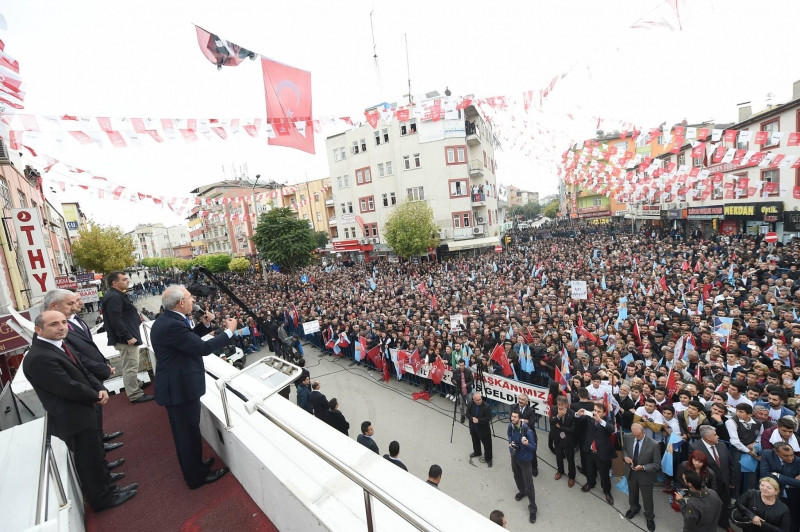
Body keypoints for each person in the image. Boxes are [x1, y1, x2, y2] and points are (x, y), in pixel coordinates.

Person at [22, 310, 138, 511]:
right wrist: (95, 396)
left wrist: (100, 388)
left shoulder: (60, 345)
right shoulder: (38, 357)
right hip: (73, 417)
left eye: (64, 322)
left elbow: (83, 371)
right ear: (38, 330)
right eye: (54, 324)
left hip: (84, 411)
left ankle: (108, 488)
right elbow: (67, 386)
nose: (61, 327)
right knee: (88, 461)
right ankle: (102, 499)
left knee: (95, 455)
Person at [150, 285, 237, 489]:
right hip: (179, 389)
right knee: (186, 435)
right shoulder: (173, 324)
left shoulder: (170, 320)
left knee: (189, 431)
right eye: (190, 298)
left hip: (179, 386)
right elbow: (203, 349)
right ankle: (195, 477)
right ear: (181, 303)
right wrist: (229, 332)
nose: (193, 301)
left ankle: (196, 465)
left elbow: (185, 342)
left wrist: (203, 326)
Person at [44, 289, 124, 448]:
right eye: (70, 303)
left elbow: (88, 348)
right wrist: (101, 371)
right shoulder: (53, 333)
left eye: (76, 301)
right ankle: (99, 451)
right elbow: (77, 359)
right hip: (82, 387)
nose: (76, 307)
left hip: (91, 380)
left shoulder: (73, 322)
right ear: (53, 306)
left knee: (96, 419)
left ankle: (100, 440)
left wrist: (104, 364)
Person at [101, 271, 152, 403]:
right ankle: (135, 394)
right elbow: (115, 320)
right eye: (124, 279)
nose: (128, 281)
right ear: (114, 283)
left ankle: (136, 383)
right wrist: (128, 336)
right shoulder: (114, 297)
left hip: (127, 337)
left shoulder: (116, 295)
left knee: (129, 364)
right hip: (126, 339)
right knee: (130, 366)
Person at [691, 425, 736, 531]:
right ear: (708, 437)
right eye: (715, 434)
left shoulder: (722, 445)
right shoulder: (695, 447)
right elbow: (694, 468)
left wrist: (732, 480)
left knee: (724, 504)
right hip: (709, 485)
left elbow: (730, 464)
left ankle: (725, 523)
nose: (718, 436)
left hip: (725, 483)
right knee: (708, 507)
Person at [623, 423, 661, 532]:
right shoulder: (628, 436)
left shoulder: (654, 444)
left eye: (638, 435)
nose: (636, 437)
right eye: (634, 434)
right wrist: (626, 457)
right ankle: (634, 508)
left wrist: (643, 467)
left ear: (644, 432)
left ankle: (649, 517)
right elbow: (624, 449)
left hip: (645, 475)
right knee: (632, 492)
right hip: (631, 471)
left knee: (647, 498)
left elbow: (657, 464)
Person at [580, 402, 616, 505]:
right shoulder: (589, 418)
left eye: (598, 411)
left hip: (602, 452)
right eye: (594, 410)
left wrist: (599, 420)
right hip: (590, 450)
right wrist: (578, 414)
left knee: (604, 474)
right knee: (590, 470)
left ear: (604, 413)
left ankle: (607, 491)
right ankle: (590, 483)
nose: (595, 412)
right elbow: (579, 420)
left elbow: (611, 429)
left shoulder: (608, 420)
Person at [760, 442, 800, 532]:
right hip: (773, 497)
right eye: (786, 456)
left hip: (792, 499)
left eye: (792, 455)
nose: (790, 458)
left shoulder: (798, 461)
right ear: (776, 452)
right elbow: (764, 476)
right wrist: (792, 481)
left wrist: (778, 476)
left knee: (792, 523)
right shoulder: (767, 454)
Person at [507, 410, 538, 524]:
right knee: (517, 476)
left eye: (515, 417)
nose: (513, 419)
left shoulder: (528, 431)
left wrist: (527, 444)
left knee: (529, 484)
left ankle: (533, 508)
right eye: (512, 416)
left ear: (520, 419)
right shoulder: (511, 426)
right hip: (514, 456)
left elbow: (534, 448)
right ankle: (522, 491)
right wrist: (510, 443)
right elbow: (509, 435)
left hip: (525, 460)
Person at [550, 394, 578, 487]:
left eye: (562, 405)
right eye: (559, 404)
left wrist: (561, 427)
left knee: (570, 459)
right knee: (558, 457)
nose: (560, 407)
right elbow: (552, 421)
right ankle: (560, 471)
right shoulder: (554, 409)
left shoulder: (572, 413)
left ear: (566, 404)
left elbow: (573, 429)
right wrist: (558, 416)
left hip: (568, 440)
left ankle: (572, 477)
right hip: (557, 438)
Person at [511, 393, 539, 476]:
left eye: (523, 400)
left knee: (532, 451)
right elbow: (511, 419)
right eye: (519, 399)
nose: (520, 401)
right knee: (518, 450)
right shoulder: (513, 407)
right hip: (517, 433)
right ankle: (520, 467)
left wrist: (520, 420)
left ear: (527, 402)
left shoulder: (531, 410)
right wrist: (524, 420)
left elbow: (531, 423)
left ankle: (534, 468)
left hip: (529, 434)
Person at [467, 392, 493, 467]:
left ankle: (488, 459)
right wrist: (471, 418)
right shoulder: (470, 403)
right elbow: (467, 413)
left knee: (487, 445)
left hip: (483, 430)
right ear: (473, 399)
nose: (479, 401)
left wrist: (479, 420)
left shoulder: (486, 406)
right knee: (475, 441)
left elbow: (488, 418)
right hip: (473, 428)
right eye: (477, 400)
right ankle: (477, 452)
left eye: (480, 399)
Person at [451, 359, 473, 424]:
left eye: (462, 365)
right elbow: (452, 379)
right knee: (461, 405)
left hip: (468, 391)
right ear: (458, 365)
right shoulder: (456, 371)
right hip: (460, 391)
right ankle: (462, 416)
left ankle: (469, 415)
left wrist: (466, 385)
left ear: (464, 365)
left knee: (470, 404)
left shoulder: (468, 371)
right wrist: (455, 383)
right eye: (460, 365)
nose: (461, 367)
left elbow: (472, 381)